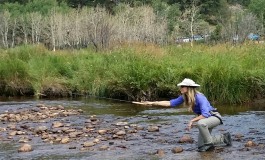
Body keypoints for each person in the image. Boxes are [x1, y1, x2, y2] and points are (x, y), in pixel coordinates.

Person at [133, 78, 232, 152]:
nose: (180, 88)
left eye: (182, 86)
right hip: (205, 120)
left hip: (214, 117)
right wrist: (151, 103)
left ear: (188, 88)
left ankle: (210, 142)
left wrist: (192, 121)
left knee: (200, 124)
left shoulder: (200, 97)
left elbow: (206, 114)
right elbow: (170, 103)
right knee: (201, 147)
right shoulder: (184, 97)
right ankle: (224, 138)